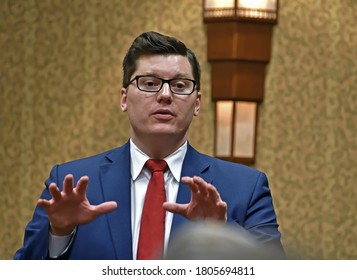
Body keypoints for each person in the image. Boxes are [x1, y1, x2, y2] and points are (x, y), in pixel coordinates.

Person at [14, 31, 284, 260]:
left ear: (197, 103)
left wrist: (222, 230)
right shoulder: (69, 183)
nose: (165, 95)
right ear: (124, 98)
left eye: (179, 85)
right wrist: (59, 233)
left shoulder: (246, 187)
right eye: (150, 83)